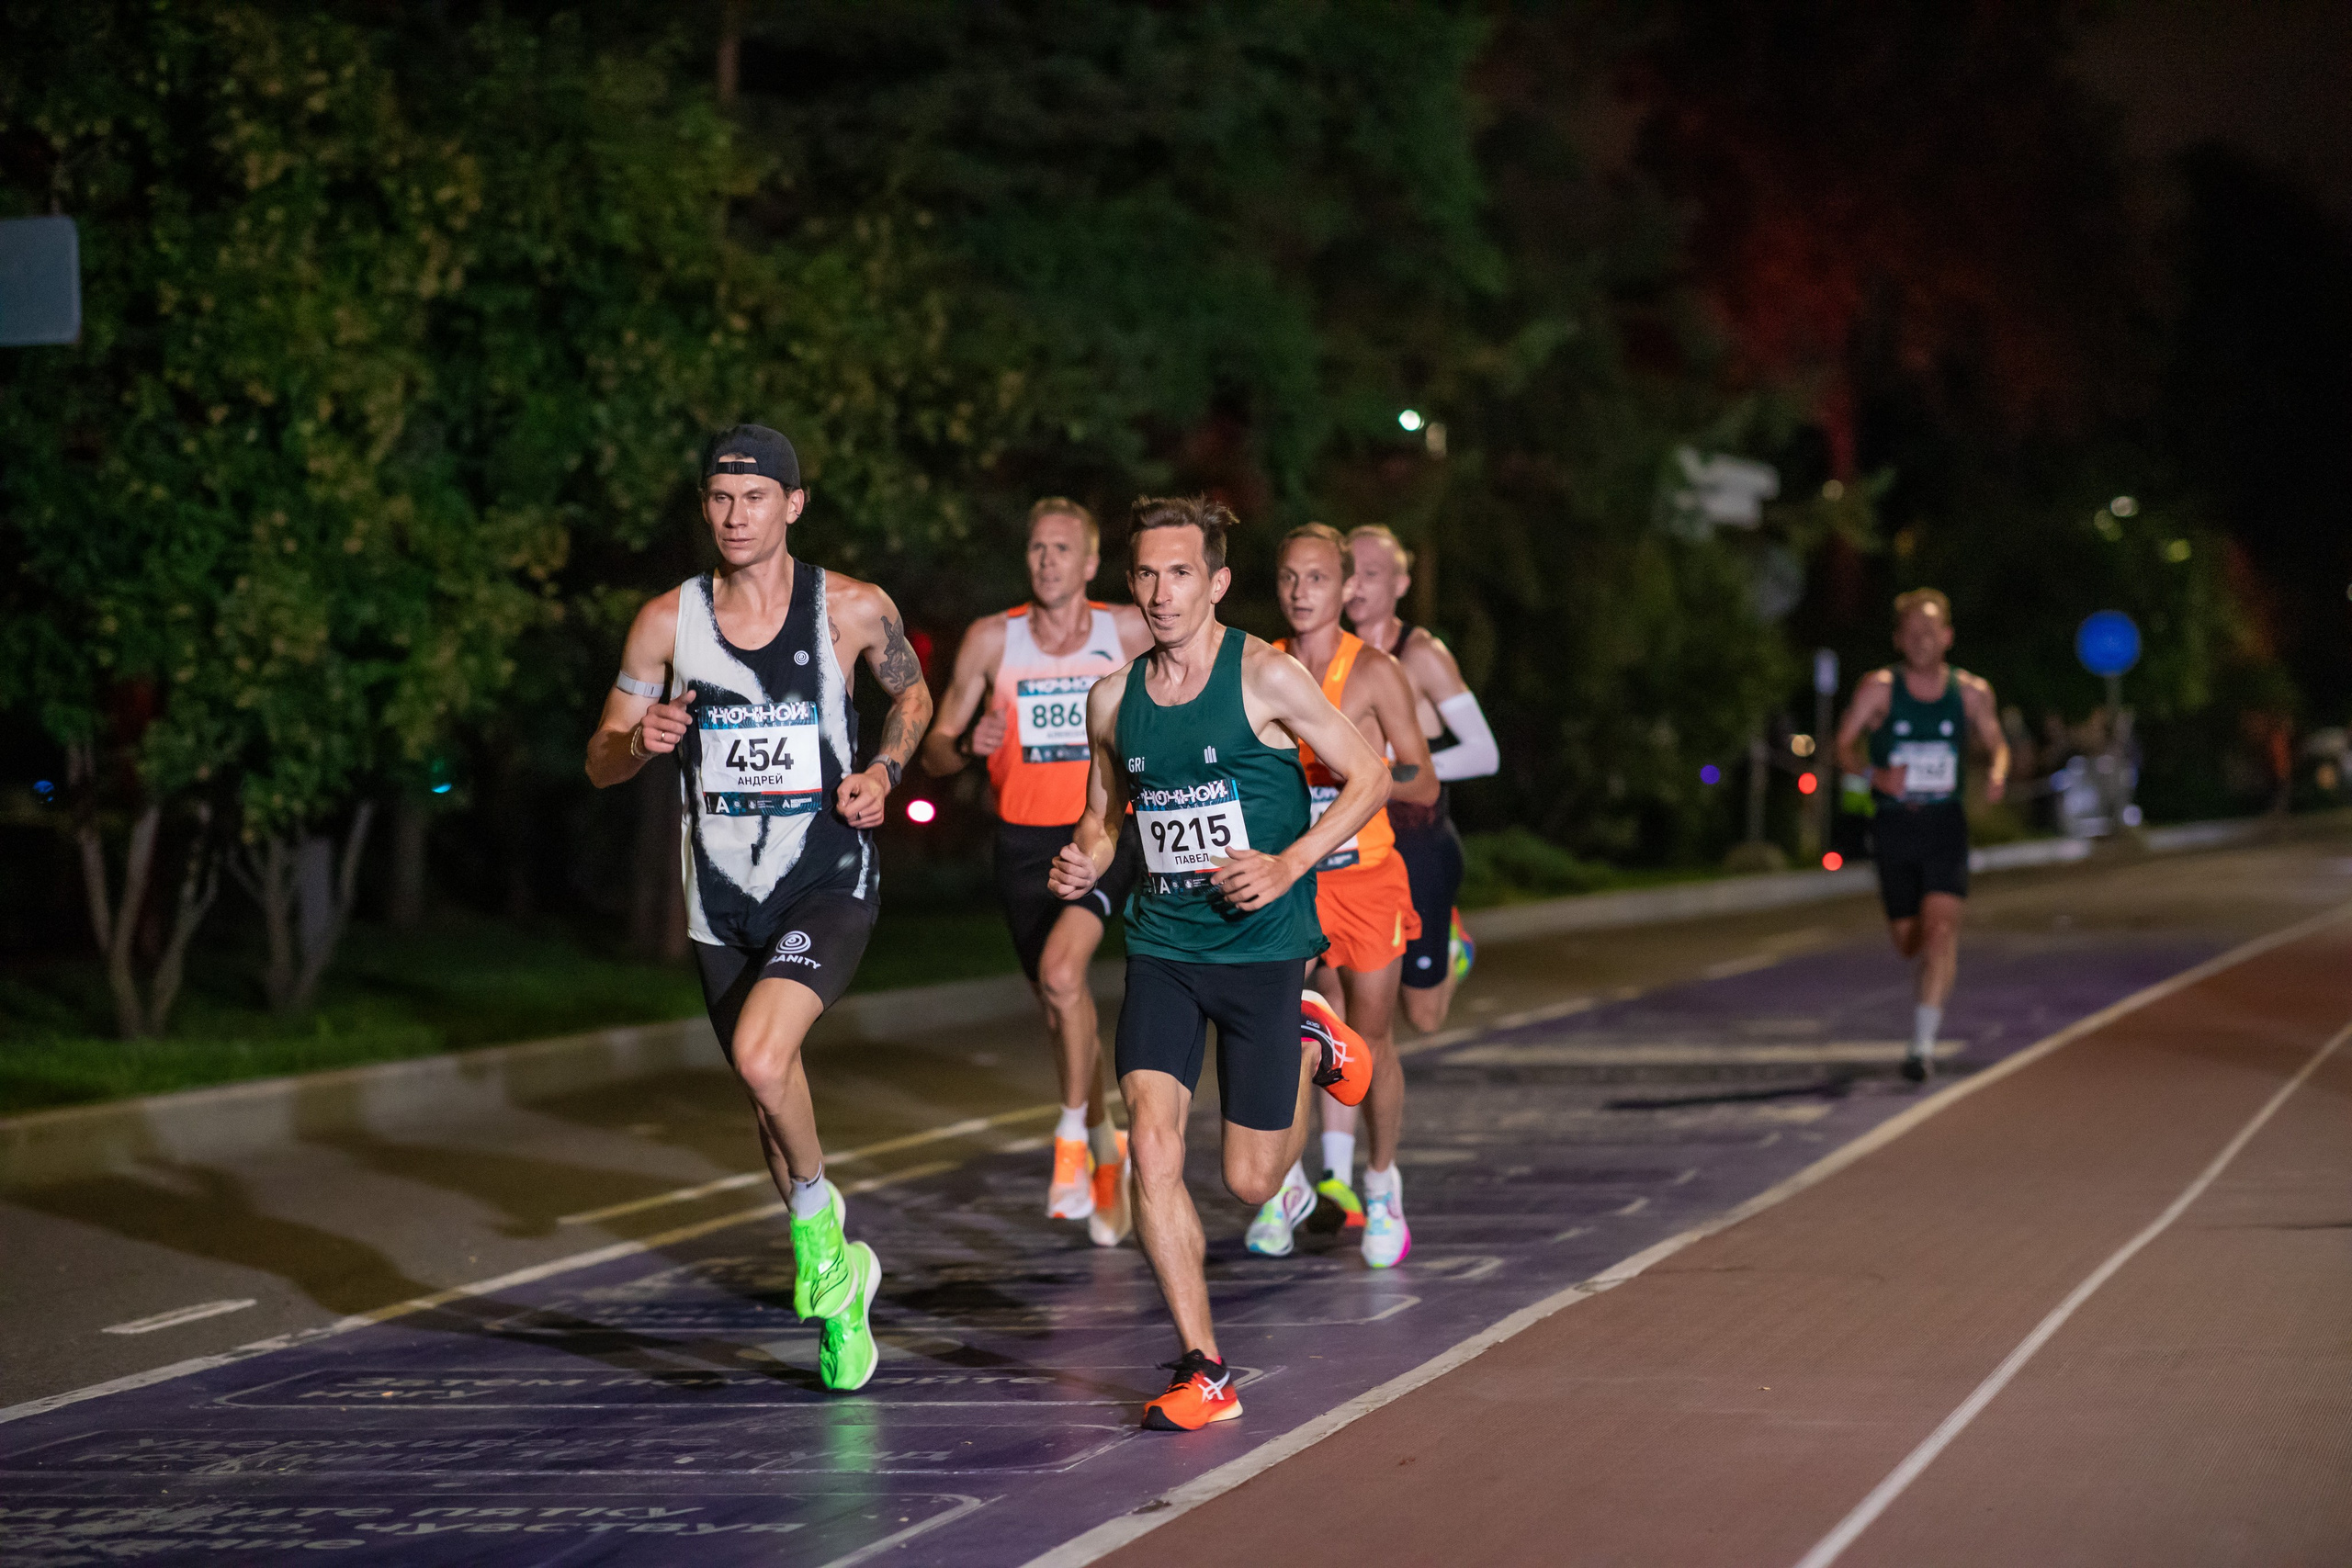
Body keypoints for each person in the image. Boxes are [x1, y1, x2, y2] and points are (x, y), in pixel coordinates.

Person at [586, 424, 933, 1392]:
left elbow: (911, 698)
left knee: (760, 1055)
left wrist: (884, 768)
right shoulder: (666, 623)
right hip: (724, 899)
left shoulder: (853, 609)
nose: (735, 516)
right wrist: (638, 743)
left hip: (826, 875)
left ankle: (824, 1239)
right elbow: (602, 756)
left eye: (754, 498)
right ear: (705, 507)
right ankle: (840, 1296)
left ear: (793, 504)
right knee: (767, 1100)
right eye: (719, 498)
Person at [1050, 495, 1382, 1432]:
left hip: (1264, 950)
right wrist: (1085, 853)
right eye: (1146, 574)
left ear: (1218, 582)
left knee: (1247, 1183)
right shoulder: (1110, 699)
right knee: (1151, 1144)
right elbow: (1104, 814)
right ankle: (1206, 1371)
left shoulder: (1266, 678)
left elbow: (1365, 776)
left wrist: (1288, 863)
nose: (1159, 593)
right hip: (1161, 947)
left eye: (1180, 573)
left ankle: (1314, 1042)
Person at [920, 499, 1152, 1245]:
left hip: (1102, 830)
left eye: (1062, 549)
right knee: (1058, 1006)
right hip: (1021, 845)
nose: (1047, 560)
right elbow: (936, 749)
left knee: (1061, 974)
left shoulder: (1128, 631)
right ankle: (1106, 1141)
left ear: (1089, 564)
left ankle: (1071, 1142)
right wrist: (965, 742)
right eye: (1037, 549)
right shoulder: (995, 639)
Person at [1250, 524, 1439, 1268]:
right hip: (1293, 880)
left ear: (1346, 588)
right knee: (1274, 1026)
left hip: (1368, 879)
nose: (1302, 592)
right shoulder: (1260, 667)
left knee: (1370, 1036)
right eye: (1290, 578)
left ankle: (1383, 1181)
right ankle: (1282, 1185)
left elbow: (1422, 778)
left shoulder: (1376, 672)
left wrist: (1360, 777)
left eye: (1318, 579)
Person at [1833, 588, 2009, 1083]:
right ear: (1899, 640)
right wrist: (1874, 776)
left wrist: (1997, 771)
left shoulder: (1972, 691)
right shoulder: (1880, 689)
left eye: (1929, 630)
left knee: (1941, 932)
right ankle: (1924, 998)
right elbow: (1843, 746)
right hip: (1893, 825)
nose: (1921, 639)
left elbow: (1997, 743)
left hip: (1943, 824)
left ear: (1947, 636)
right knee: (1909, 941)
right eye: (1911, 632)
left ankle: (1921, 1046)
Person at [1341, 526, 1499, 1032]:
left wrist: (1388, 774)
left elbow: (1484, 753)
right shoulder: (1325, 656)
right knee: (1342, 994)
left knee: (1424, 1018)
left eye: (1372, 574)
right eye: (1348, 573)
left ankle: (1454, 947)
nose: (1357, 586)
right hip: (1355, 849)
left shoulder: (1422, 655)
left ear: (1401, 584)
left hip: (1417, 844)